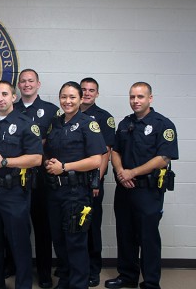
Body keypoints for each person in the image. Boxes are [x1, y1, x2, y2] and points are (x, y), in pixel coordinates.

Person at [105, 82, 178, 289]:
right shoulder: (125, 123)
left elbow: (163, 158)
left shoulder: (163, 124)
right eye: (132, 97)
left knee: (148, 237)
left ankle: (151, 282)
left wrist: (133, 172)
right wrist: (121, 172)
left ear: (150, 98)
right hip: (125, 188)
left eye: (140, 97)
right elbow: (115, 151)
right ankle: (127, 276)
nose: (135, 101)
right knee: (125, 234)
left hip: (148, 190)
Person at [0, 80, 43, 289]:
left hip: (14, 192)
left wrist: (4, 162)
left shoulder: (26, 124)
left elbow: (36, 159)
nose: (1, 98)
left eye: (5, 94)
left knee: (18, 241)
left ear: (14, 97)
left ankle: (23, 285)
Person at [44, 81, 107, 289]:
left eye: (72, 97)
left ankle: (78, 284)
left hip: (76, 191)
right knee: (59, 239)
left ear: (81, 99)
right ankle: (66, 279)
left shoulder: (88, 123)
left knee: (76, 241)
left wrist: (64, 166)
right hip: (55, 191)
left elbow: (96, 160)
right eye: (63, 97)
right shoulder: (56, 123)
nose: (67, 101)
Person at [13, 69, 59, 289]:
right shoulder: (9, 108)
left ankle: (43, 272)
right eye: (23, 81)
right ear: (18, 86)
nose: (27, 84)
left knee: (43, 228)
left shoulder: (51, 111)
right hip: (14, 178)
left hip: (41, 179)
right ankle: (13, 266)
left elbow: (57, 142)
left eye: (31, 81)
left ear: (38, 84)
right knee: (16, 226)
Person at [80, 77, 116, 287]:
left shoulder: (104, 118)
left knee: (92, 226)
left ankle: (94, 268)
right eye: (83, 89)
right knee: (73, 226)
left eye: (91, 90)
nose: (87, 93)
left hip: (92, 181)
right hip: (71, 181)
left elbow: (106, 153)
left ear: (97, 93)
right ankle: (75, 265)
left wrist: (96, 181)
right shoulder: (67, 115)